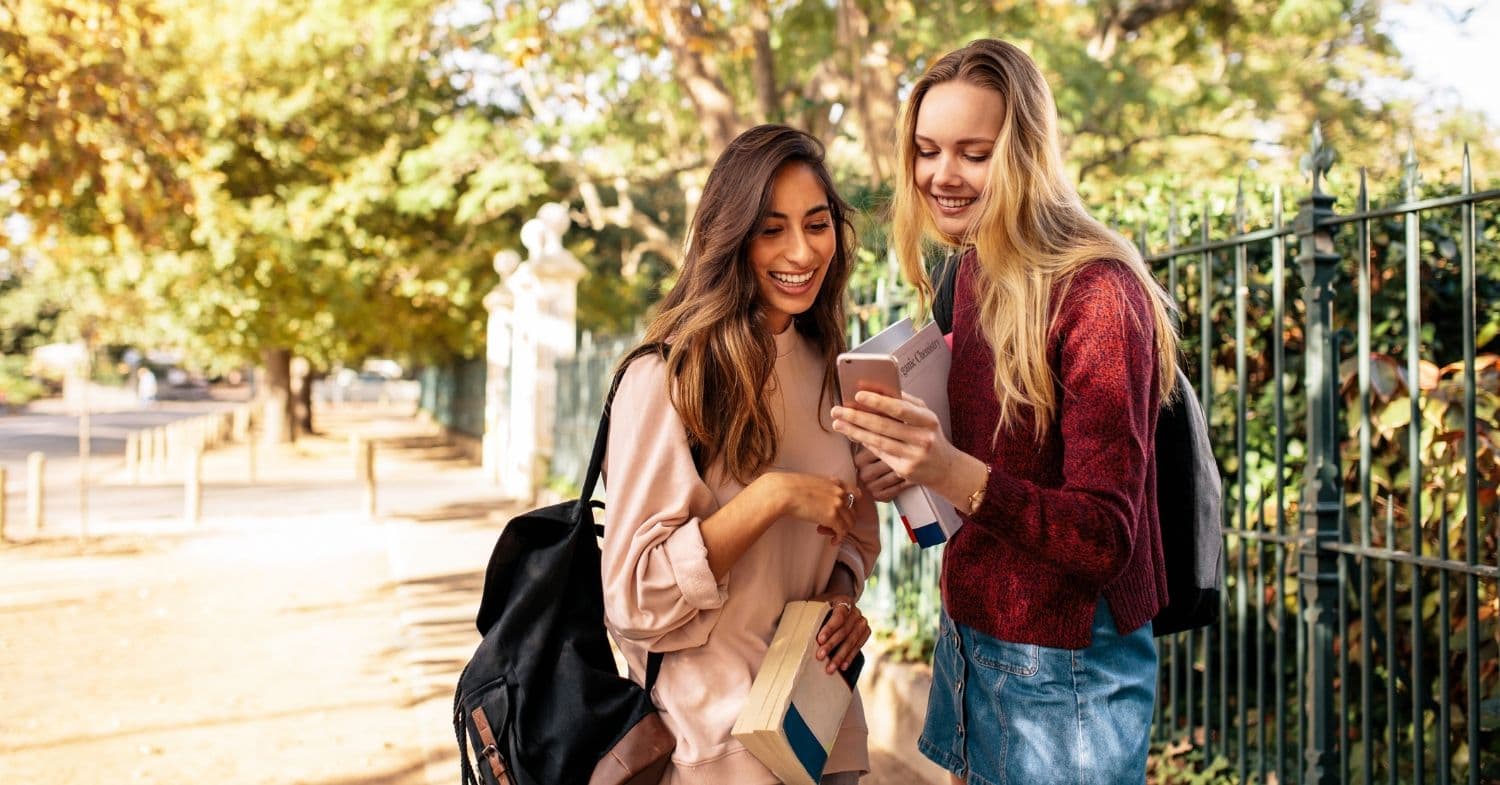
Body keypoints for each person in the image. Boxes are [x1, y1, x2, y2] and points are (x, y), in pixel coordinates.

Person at [830, 39, 1181, 785]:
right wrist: (908, 470)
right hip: (971, 637)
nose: (941, 175)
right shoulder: (970, 269)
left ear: (1026, 154)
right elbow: (987, 465)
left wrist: (950, 470)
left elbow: (1103, 537)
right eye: (927, 151)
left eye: (974, 153)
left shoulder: (1098, 293)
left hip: (1067, 671)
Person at [600, 124, 881, 785]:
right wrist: (772, 497)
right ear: (730, 237)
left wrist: (842, 599)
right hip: (714, 748)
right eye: (771, 229)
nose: (801, 251)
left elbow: (854, 534)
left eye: (817, 225)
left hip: (821, 730)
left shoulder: (832, 370)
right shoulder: (668, 377)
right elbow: (635, 600)